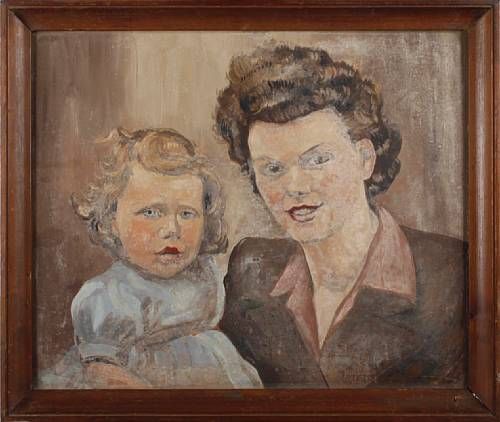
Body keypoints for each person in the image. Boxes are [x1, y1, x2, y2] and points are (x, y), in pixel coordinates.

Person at [215, 44, 465, 388]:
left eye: (317, 160)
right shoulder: (250, 270)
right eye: (272, 168)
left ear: (364, 159)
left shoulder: (455, 273)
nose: (295, 186)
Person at [40, 128, 262, 389]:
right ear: (112, 220)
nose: (172, 229)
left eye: (187, 214)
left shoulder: (204, 271)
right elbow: (103, 373)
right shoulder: (110, 294)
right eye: (151, 212)